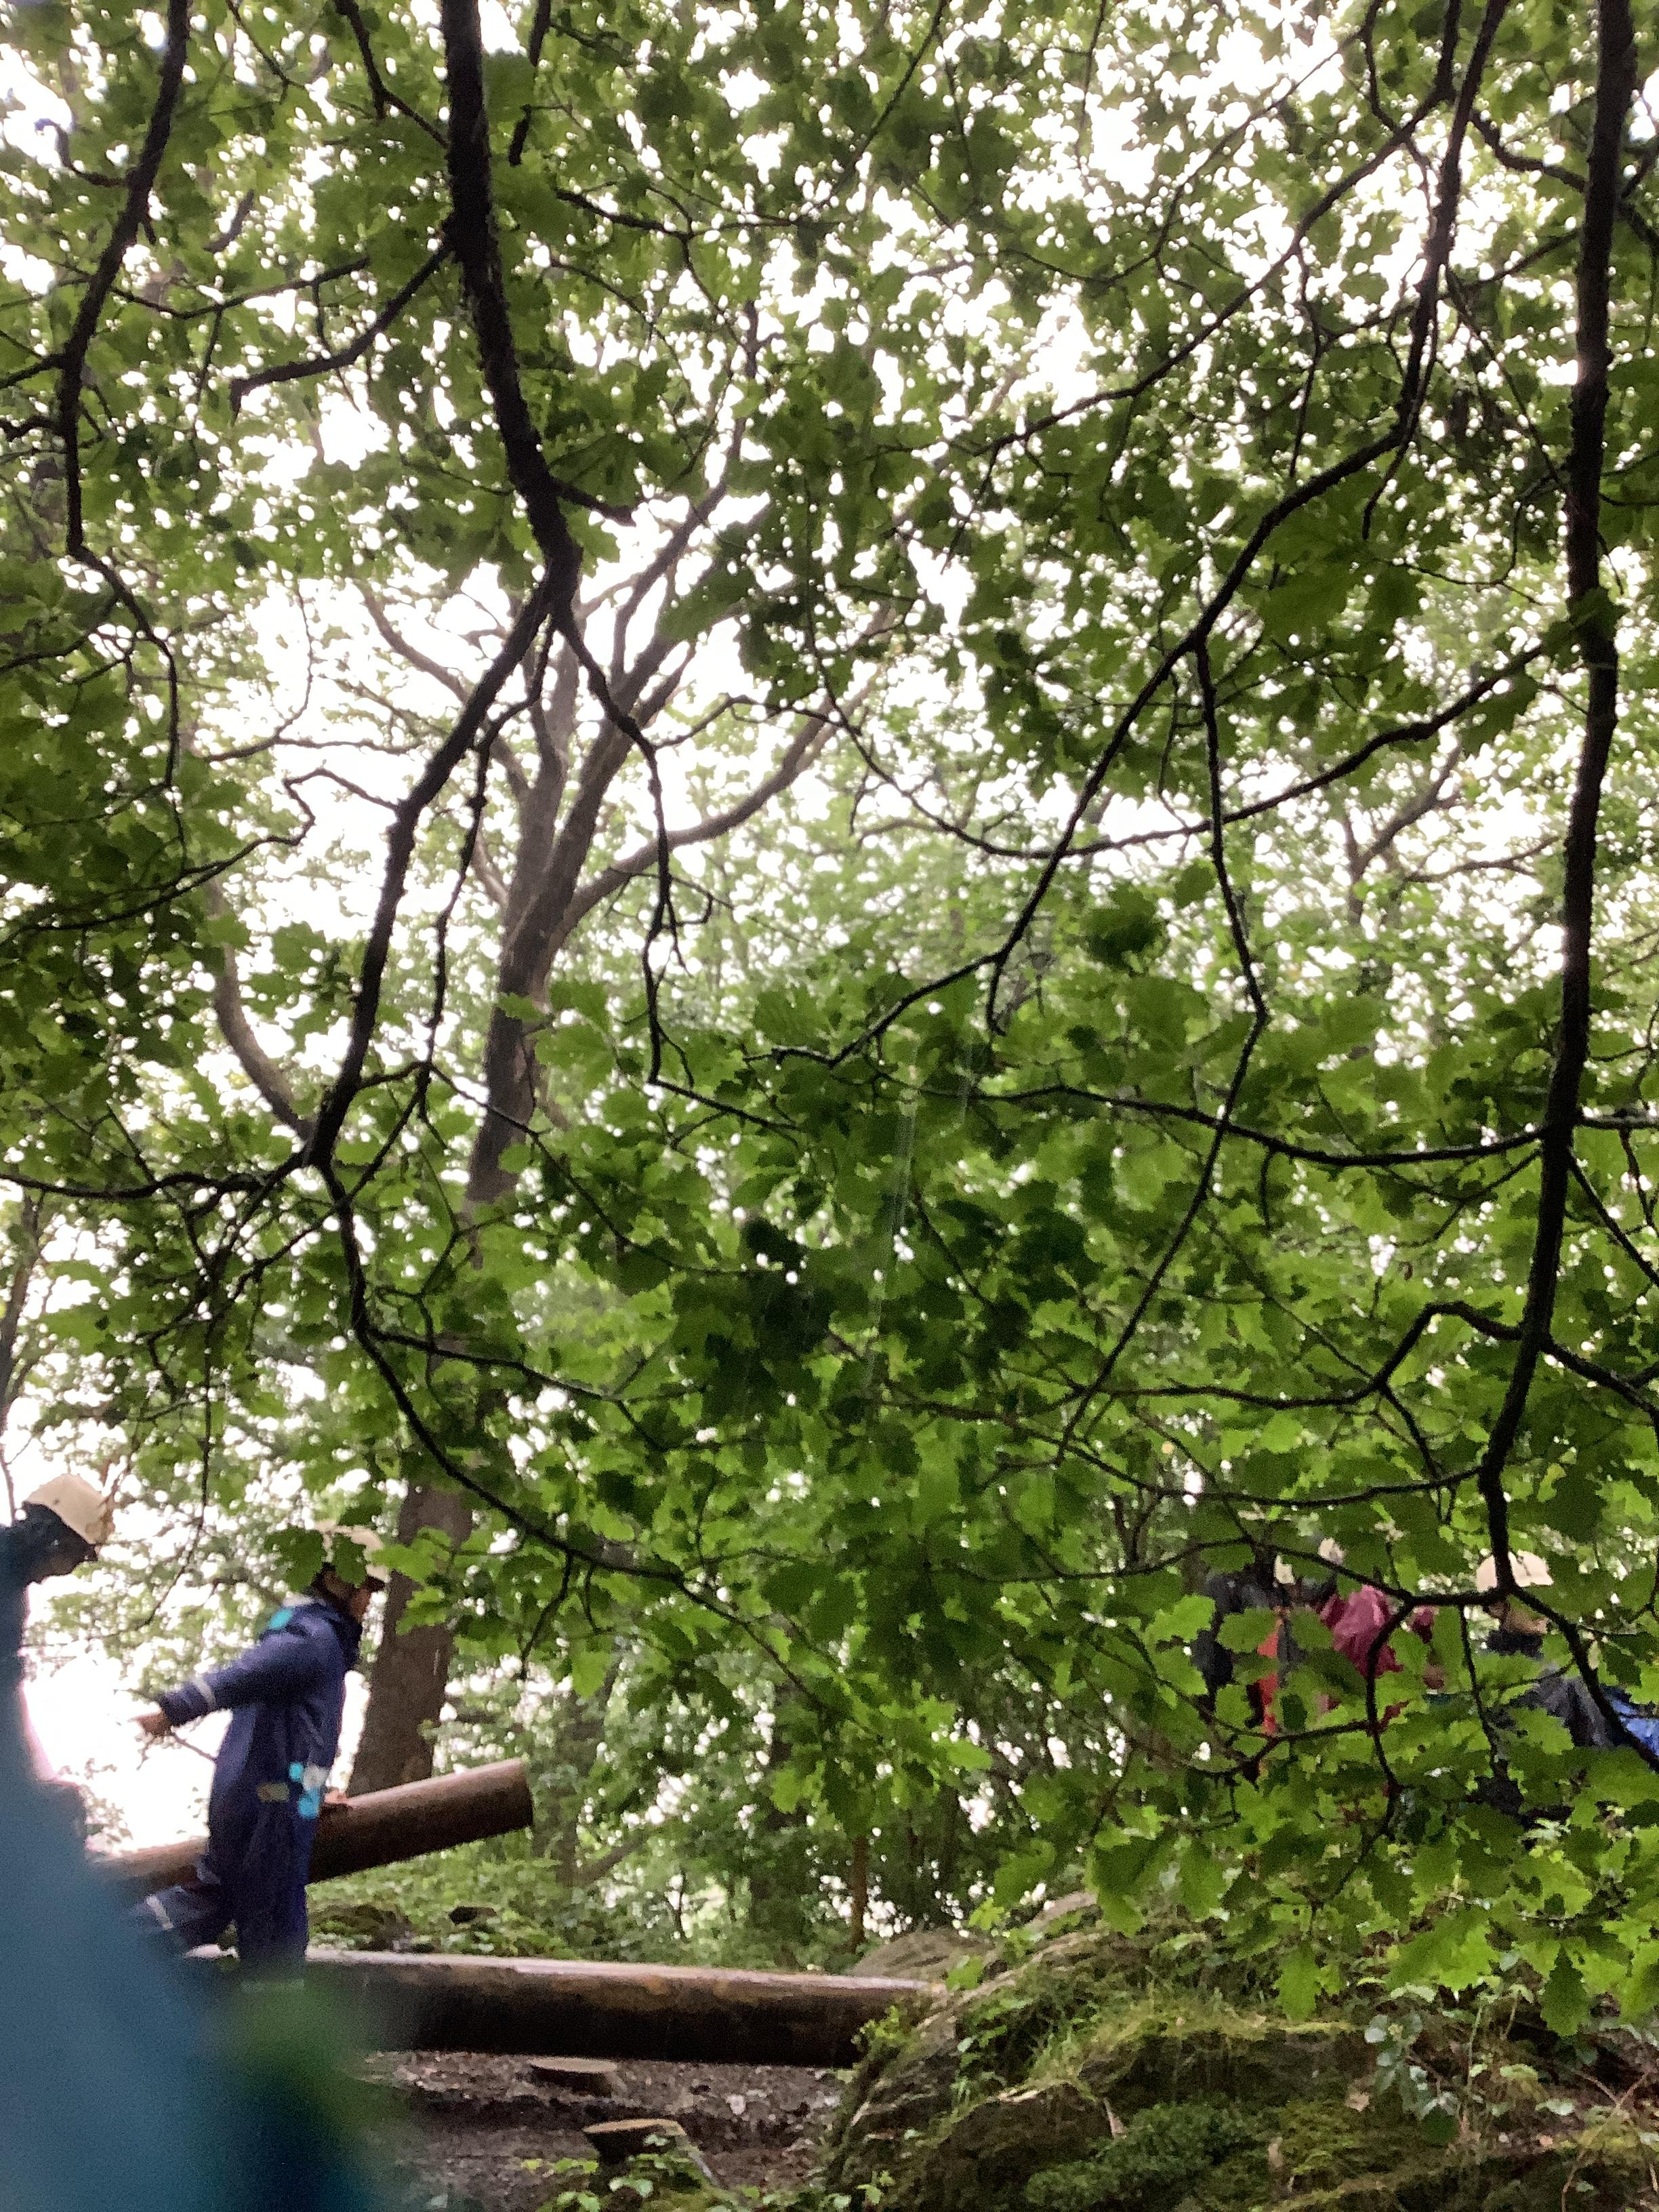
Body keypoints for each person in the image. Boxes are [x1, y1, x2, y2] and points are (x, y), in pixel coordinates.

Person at [134, 1525, 386, 1973]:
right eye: (365, 1586)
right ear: (334, 1580)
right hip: (273, 1800)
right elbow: (244, 1676)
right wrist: (176, 1707)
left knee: (215, 1898)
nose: (369, 1600)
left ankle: (99, 1949)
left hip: (250, 1793)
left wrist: (314, 1793)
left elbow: (297, 1736)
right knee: (276, 1928)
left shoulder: (303, 1632)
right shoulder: (314, 1639)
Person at [1473, 1550, 1614, 1819]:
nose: (1541, 1607)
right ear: (1496, 1607)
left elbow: (1594, 1742)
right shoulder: (1478, 1674)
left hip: (1567, 1818)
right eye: (1529, 1597)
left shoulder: (1565, 1663)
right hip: (1506, 1821)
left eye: (1546, 1597)